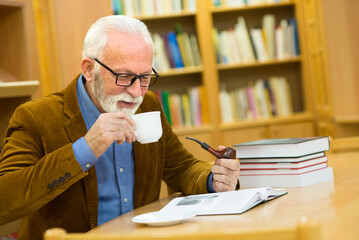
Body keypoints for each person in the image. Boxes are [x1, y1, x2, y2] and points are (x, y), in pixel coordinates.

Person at [0, 15, 240, 239]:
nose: (136, 92)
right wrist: (85, 148)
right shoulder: (35, 117)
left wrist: (212, 179)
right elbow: (5, 200)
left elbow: (180, 168)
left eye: (145, 77)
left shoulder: (148, 104)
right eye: (124, 77)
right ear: (89, 69)